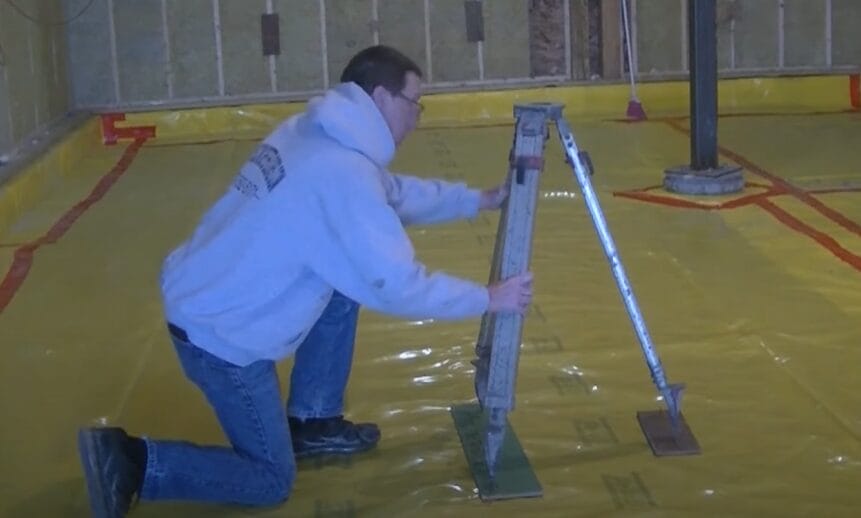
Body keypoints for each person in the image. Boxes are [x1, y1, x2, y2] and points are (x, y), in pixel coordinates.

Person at [76, 44, 533, 517]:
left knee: (340, 284)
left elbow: (388, 194)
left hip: (204, 292)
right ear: (379, 96)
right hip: (222, 337)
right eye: (414, 102)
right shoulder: (342, 173)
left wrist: (476, 200)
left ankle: (313, 419)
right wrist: (488, 298)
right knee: (271, 480)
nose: (418, 116)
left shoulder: (314, 131)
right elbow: (396, 285)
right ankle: (131, 461)